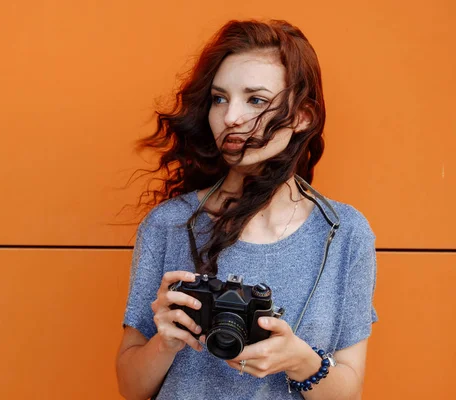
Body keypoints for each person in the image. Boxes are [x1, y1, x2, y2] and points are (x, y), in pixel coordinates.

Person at [116, 18, 377, 400]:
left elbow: (349, 395)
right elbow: (129, 387)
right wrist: (165, 342)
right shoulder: (170, 224)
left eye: (255, 100)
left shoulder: (343, 233)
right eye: (220, 98)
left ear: (303, 115)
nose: (231, 117)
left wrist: (300, 360)